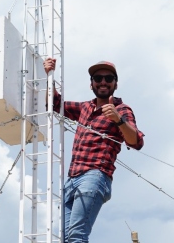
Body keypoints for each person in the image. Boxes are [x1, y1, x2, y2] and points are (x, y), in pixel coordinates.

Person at [43, 58, 145, 243]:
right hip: (72, 180)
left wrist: (118, 119)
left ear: (115, 83)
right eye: (98, 78)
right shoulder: (85, 107)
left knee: (76, 235)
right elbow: (54, 103)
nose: (103, 82)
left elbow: (136, 141)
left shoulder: (122, 109)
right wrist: (49, 75)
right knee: (66, 239)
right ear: (92, 84)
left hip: (94, 175)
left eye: (108, 78)